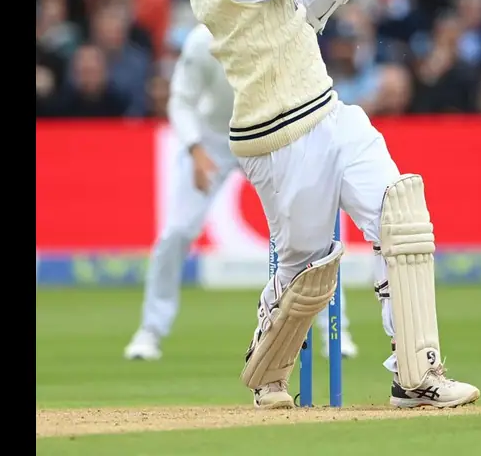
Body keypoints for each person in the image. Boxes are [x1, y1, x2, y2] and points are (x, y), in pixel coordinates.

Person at [185, 0, 481, 410]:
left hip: (331, 114)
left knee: (402, 218)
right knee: (308, 272)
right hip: (278, 137)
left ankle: (417, 376)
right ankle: (267, 366)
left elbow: (306, 15)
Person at [124, 23, 360, 361]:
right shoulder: (202, 40)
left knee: (311, 230)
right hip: (212, 140)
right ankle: (150, 331)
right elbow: (182, 100)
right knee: (175, 232)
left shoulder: (276, 29)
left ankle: (335, 331)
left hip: (267, 136)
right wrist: (193, 148)